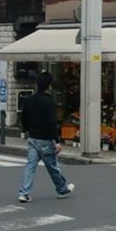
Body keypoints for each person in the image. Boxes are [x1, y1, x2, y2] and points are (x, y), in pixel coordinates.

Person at [18, 71, 74, 203]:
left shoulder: (29, 100)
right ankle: (62, 188)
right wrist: (57, 141)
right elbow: (51, 123)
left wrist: (27, 130)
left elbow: (24, 118)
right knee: (52, 166)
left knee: (30, 166)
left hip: (32, 138)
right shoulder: (49, 102)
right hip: (46, 139)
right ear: (49, 86)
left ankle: (24, 193)